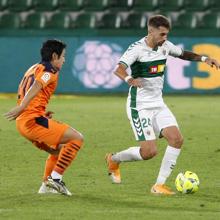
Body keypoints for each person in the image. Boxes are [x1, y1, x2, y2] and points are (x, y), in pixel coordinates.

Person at [105, 15, 219, 195]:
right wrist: (129, 79)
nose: (165, 38)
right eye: (162, 34)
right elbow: (118, 68)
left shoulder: (165, 46)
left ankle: (159, 185)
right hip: (139, 105)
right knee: (149, 152)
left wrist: (205, 59)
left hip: (158, 103)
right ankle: (114, 159)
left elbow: (183, 54)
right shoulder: (137, 49)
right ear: (151, 31)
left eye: (167, 34)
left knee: (177, 139)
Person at [4, 39, 84, 196]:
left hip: (27, 121)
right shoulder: (49, 72)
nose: (64, 59)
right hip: (31, 121)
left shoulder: (35, 67)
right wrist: (22, 107)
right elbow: (36, 86)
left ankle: (46, 185)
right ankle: (55, 179)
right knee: (77, 138)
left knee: (58, 151)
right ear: (54, 56)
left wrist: (36, 111)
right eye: (63, 56)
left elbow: (29, 89)